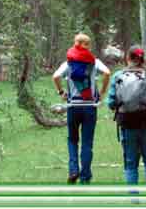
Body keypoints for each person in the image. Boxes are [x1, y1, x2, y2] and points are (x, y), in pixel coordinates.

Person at [53, 33, 110, 184]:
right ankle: (85, 176)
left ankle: (73, 170)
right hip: (90, 107)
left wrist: (61, 92)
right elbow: (107, 73)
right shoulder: (94, 62)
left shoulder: (68, 63)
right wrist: (102, 91)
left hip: (73, 107)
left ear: (75, 43)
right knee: (87, 142)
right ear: (88, 45)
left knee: (72, 140)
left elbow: (55, 77)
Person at [106, 45, 146, 185]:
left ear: (127, 58)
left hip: (127, 125)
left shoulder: (117, 76)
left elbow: (110, 103)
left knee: (130, 163)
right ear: (142, 59)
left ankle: (134, 198)